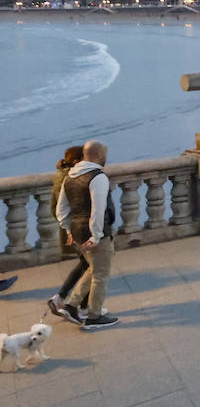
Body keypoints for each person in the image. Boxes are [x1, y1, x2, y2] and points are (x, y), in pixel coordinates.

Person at [53, 140, 119, 329]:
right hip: (94, 234)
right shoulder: (97, 177)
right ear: (98, 155)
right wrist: (96, 236)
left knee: (93, 268)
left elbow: (61, 209)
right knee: (101, 274)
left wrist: (68, 229)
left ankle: (72, 305)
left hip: (77, 231)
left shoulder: (70, 176)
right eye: (105, 154)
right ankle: (93, 316)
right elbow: (98, 211)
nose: (106, 158)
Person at [45, 144, 89, 317]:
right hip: (80, 229)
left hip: (71, 229)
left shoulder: (59, 177)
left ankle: (61, 298)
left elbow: (53, 207)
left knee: (86, 264)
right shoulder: (73, 179)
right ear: (78, 161)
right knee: (92, 266)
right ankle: (81, 308)